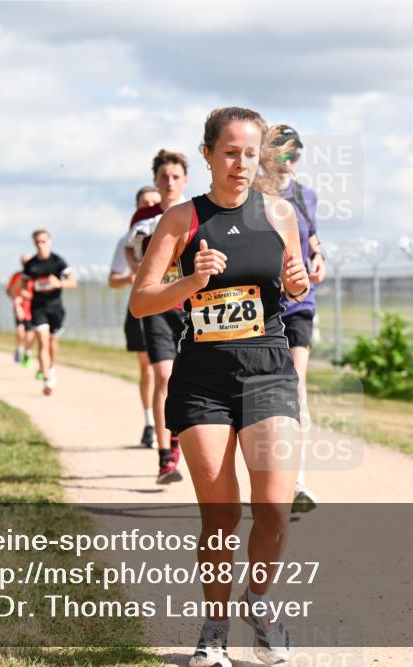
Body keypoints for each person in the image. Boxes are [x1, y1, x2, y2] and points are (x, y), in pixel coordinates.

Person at [130, 106, 310, 667]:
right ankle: (213, 631)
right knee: (223, 514)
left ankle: (259, 603)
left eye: (250, 153)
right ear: (207, 154)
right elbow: (142, 300)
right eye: (229, 152)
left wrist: (297, 278)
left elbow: (295, 280)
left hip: (268, 371)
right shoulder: (181, 220)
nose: (240, 163)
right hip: (203, 378)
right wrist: (192, 280)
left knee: (275, 509)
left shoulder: (280, 214)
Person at [271, 125, 328, 513]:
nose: (289, 160)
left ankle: (297, 483)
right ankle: (269, 479)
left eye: (295, 153)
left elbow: (312, 240)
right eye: (281, 152)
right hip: (259, 305)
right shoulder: (252, 196)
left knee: (295, 386)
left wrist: (319, 257)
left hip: (298, 304)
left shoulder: (305, 196)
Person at [126, 150, 190, 482]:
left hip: (188, 308)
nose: (169, 182)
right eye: (163, 177)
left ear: (185, 181)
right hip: (156, 308)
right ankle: (166, 458)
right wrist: (138, 267)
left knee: (183, 377)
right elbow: (129, 246)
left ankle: (176, 433)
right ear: (155, 180)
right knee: (163, 376)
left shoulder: (195, 214)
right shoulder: (144, 217)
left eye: (175, 177)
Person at [109, 185, 162, 447]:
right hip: (141, 308)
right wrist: (129, 277)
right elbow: (113, 281)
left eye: (155, 202)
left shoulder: (170, 229)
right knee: (149, 368)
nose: (150, 206)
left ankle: (170, 426)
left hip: (170, 306)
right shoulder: (127, 241)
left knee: (168, 369)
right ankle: (150, 422)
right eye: (145, 203)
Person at [17, 230, 76, 395]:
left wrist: (59, 284)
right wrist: (24, 293)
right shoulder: (31, 264)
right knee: (42, 341)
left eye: (43, 241)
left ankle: (51, 367)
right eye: (37, 242)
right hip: (38, 307)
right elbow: (24, 284)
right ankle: (47, 379)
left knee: (52, 342)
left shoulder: (58, 262)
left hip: (56, 307)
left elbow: (72, 282)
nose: (40, 245)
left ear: (49, 241)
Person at [7, 254, 35, 367]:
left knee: (30, 334)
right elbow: (10, 291)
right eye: (23, 261)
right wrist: (16, 302)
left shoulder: (35, 276)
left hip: (33, 309)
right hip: (20, 308)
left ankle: (28, 354)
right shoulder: (17, 276)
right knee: (20, 331)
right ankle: (18, 348)